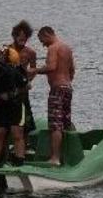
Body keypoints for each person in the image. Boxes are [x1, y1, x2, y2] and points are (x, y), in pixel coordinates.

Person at [29, 26, 75, 167]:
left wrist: (35, 70)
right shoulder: (67, 48)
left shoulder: (53, 48)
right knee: (65, 123)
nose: (43, 45)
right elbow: (72, 70)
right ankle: (67, 156)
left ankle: (55, 158)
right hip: (67, 88)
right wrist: (65, 81)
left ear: (47, 34)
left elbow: (51, 67)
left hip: (57, 90)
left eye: (42, 40)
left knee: (56, 125)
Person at [3, 20, 37, 134]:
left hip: (22, 88)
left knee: (25, 120)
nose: (23, 41)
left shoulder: (30, 53)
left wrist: (27, 81)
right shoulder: (5, 51)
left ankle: (25, 139)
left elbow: (33, 70)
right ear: (14, 36)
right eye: (20, 38)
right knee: (6, 119)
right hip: (7, 88)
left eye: (25, 38)